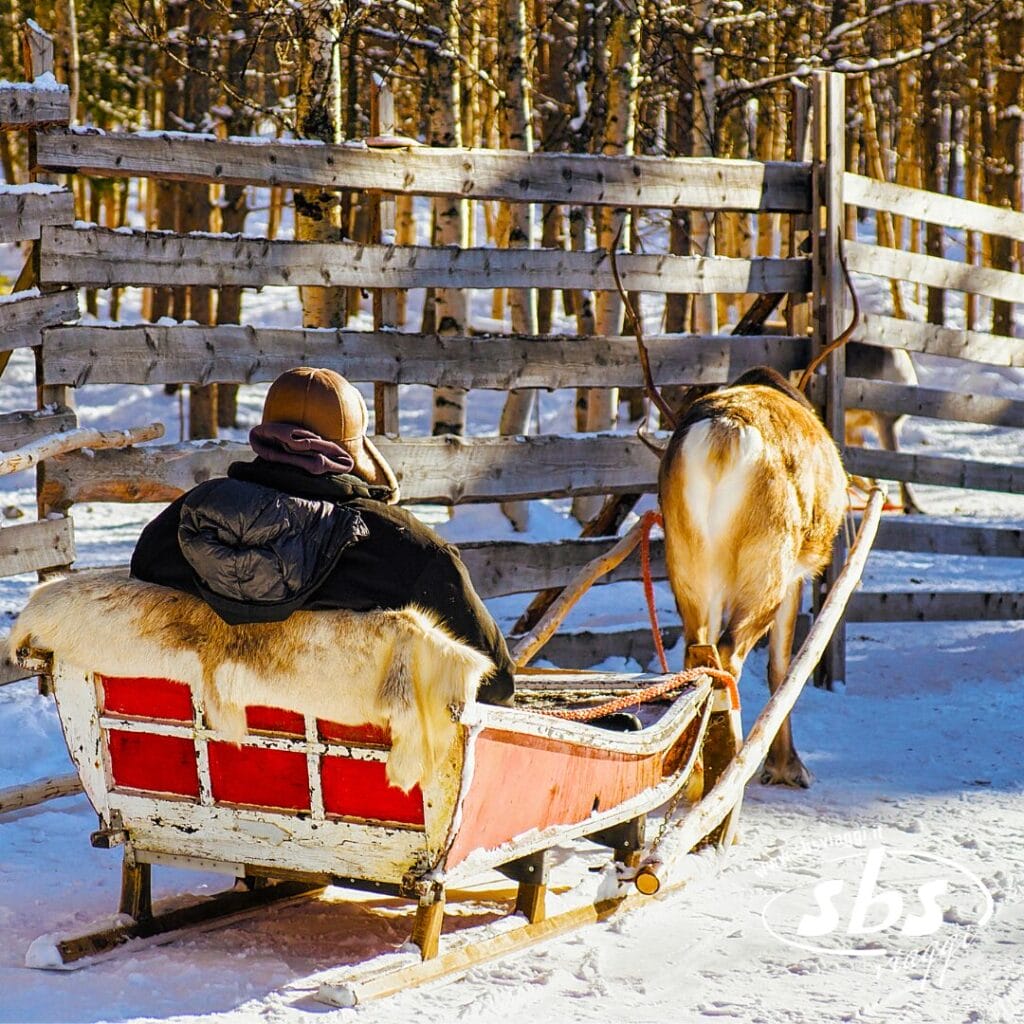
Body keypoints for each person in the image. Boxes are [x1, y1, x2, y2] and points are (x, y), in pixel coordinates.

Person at [130, 366, 515, 705]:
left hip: (209, 746)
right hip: (369, 769)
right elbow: (494, 684)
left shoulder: (178, 527)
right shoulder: (407, 550)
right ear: (351, 450)